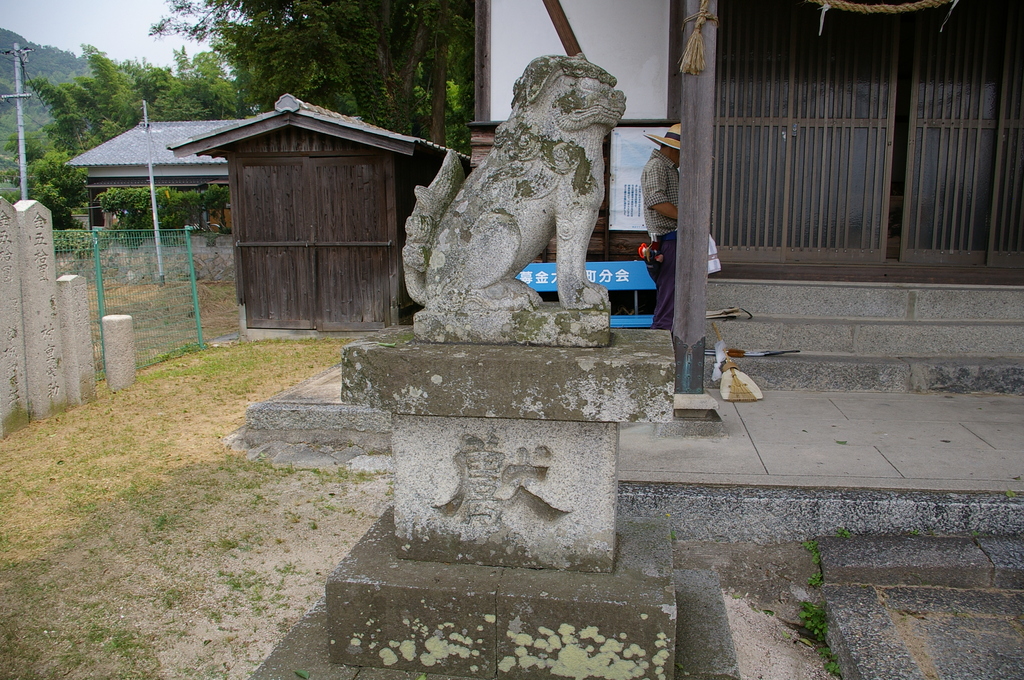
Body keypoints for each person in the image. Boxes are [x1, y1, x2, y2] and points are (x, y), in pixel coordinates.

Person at [641, 124, 681, 331]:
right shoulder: (657, 166)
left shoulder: (667, 167)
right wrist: (687, 218)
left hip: (671, 238)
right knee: (669, 294)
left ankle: (666, 337)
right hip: (668, 238)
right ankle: (662, 341)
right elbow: (656, 200)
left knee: (671, 294)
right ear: (675, 149)